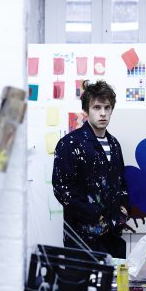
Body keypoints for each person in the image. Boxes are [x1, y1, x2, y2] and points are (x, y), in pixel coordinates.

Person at [52, 80, 130, 258]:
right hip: (82, 239)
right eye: (96, 107)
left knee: (116, 285)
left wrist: (124, 208)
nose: (103, 113)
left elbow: (121, 182)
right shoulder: (70, 144)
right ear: (86, 111)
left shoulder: (114, 144)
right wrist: (95, 214)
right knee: (82, 286)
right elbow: (62, 190)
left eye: (107, 107)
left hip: (113, 236)